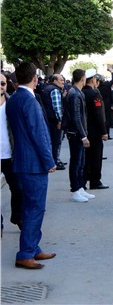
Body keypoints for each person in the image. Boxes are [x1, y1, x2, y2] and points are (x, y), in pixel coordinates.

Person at [6, 61, 57, 269]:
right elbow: (38, 133)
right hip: (33, 163)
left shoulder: (14, 99)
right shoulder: (29, 100)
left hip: (22, 160)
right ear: (35, 78)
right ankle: (26, 252)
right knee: (35, 207)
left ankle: (33, 247)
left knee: (30, 206)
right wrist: (49, 160)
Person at [62, 69, 95, 203]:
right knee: (76, 162)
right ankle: (75, 190)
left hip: (76, 133)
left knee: (80, 162)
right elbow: (76, 117)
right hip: (75, 134)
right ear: (83, 78)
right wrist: (83, 136)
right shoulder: (75, 93)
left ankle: (79, 188)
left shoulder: (75, 92)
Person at [1, 73, 23, 230]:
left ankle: (17, 217)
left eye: (2, 83)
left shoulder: (12, 103)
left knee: (18, 189)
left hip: (10, 155)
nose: (0, 86)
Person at [82, 69, 109, 190]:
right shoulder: (94, 94)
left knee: (85, 158)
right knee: (96, 157)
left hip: (84, 130)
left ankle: (83, 180)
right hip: (94, 131)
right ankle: (95, 181)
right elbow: (98, 115)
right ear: (93, 80)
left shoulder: (81, 92)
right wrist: (104, 131)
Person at [41, 74, 66, 170]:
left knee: (53, 141)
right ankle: (55, 160)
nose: (63, 81)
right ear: (55, 80)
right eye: (60, 80)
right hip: (54, 120)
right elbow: (57, 108)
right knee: (56, 141)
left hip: (50, 119)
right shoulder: (54, 90)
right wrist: (60, 120)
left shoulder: (48, 88)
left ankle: (55, 159)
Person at [98, 67, 113, 137]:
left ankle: (101, 133)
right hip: (107, 104)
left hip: (100, 104)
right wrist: (112, 72)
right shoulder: (107, 84)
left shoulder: (97, 87)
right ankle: (107, 133)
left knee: (101, 118)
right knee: (107, 119)